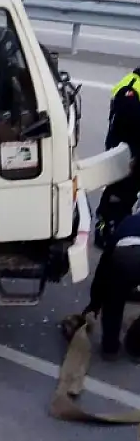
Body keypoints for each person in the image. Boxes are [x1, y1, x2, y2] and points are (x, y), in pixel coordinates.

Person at [80, 211, 140, 360]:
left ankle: (110, 349)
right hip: (130, 257)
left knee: (113, 302)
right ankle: (135, 348)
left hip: (123, 257)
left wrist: (95, 302)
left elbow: (104, 266)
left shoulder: (129, 220)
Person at [94, 67, 140, 248]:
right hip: (127, 150)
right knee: (120, 193)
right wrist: (133, 155)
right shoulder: (131, 88)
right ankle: (107, 230)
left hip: (131, 149)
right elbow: (129, 126)